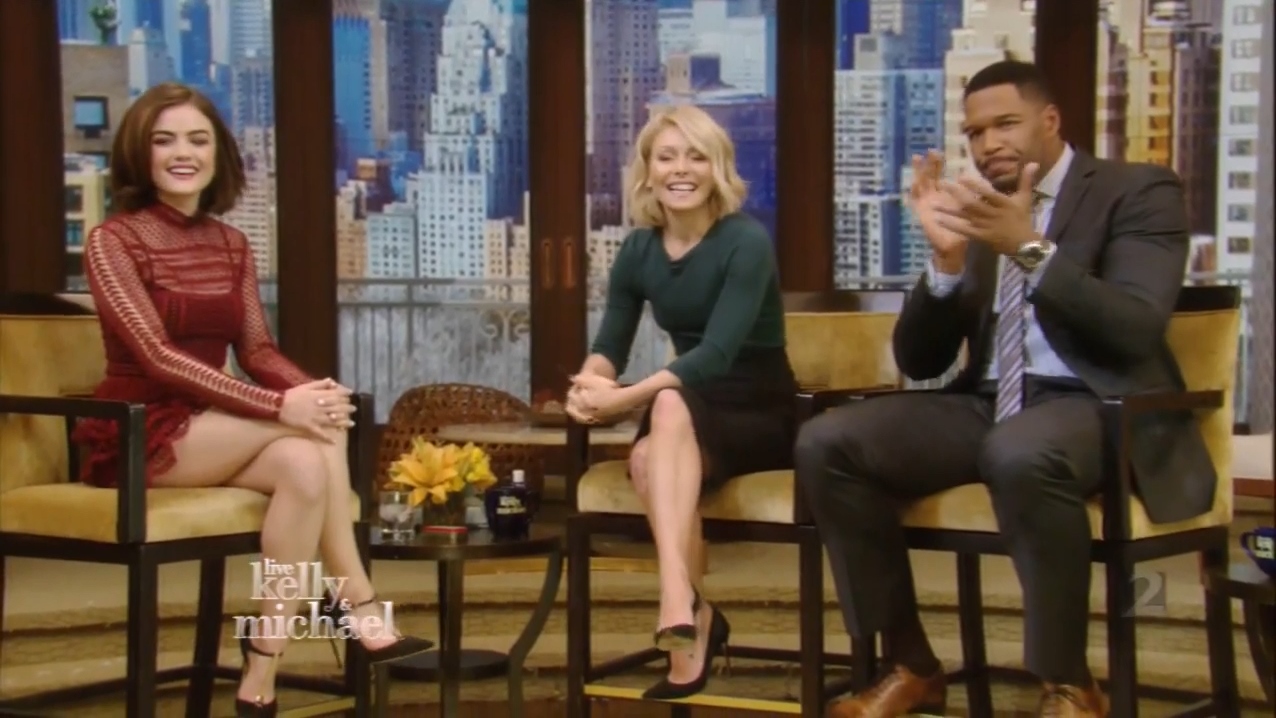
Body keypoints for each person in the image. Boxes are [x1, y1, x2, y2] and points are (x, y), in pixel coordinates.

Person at [795, 60, 1210, 718]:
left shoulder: (1136, 190)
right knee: (828, 441)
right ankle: (911, 665)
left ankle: (1068, 682)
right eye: (975, 132)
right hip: (991, 402)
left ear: (1051, 120)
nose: (989, 144)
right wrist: (946, 262)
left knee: (1019, 451)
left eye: (1005, 124)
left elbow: (1134, 327)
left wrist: (1030, 248)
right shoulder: (981, 212)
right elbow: (920, 360)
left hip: (1099, 403)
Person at [70, 82, 434, 718]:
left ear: (218, 154)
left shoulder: (230, 243)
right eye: (164, 141)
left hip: (209, 424)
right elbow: (157, 355)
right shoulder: (113, 241)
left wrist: (313, 392)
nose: (183, 154)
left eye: (197, 139)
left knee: (305, 460)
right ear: (140, 154)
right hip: (139, 429)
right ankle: (356, 601)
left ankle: (262, 665)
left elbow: (258, 349)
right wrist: (282, 408)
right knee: (311, 433)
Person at [565, 104, 798, 700]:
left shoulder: (745, 241)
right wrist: (588, 384)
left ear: (717, 167)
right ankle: (691, 610)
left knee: (665, 410)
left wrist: (623, 401)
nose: (681, 169)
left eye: (696, 156)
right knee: (648, 451)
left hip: (757, 405)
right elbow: (609, 347)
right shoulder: (639, 250)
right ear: (648, 170)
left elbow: (715, 355)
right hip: (685, 400)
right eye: (666, 157)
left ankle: (678, 597)